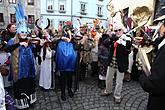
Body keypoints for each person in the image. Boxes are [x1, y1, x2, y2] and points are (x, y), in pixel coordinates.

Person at [4, 3, 37, 109]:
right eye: (21, 32)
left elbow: (34, 51)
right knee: (20, 88)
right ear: (18, 32)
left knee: (30, 87)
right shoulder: (12, 41)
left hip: (29, 71)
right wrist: (19, 44)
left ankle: (30, 101)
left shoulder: (29, 40)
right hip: (18, 71)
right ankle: (23, 104)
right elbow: (6, 49)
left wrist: (38, 45)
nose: (23, 34)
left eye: (25, 32)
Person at [101, 22, 132, 104]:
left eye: (119, 30)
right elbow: (105, 43)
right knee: (108, 78)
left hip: (121, 63)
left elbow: (127, 52)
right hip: (112, 61)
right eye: (116, 30)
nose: (118, 32)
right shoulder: (113, 38)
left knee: (119, 81)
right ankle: (108, 91)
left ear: (122, 30)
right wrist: (112, 39)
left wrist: (127, 45)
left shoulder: (127, 38)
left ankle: (117, 96)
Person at [139, 20, 165, 110]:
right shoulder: (161, 40)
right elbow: (156, 43)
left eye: (161, 25)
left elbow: (156, 84)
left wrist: (142, 76)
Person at [55, 21, 76, 101]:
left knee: (70, 78)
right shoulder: (59, 41)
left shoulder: (72, 41)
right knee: (63, 79)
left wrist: (71, 40)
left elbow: (77, 47)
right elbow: (54, 44)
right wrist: (61, 38)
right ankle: (63, 92)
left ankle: (70, 90)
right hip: (63, 65)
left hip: (71, 64)